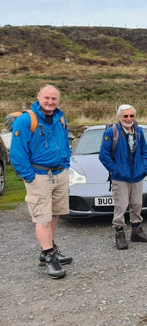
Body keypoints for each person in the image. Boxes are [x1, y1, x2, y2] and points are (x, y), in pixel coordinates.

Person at [10, 84, 72, 279]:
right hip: (39, 176)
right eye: (47, 98)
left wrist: (65, 164)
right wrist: (29, 176)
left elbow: (65, 144)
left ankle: (48, 249)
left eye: (54, 99)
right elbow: (17, 152)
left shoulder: (60, 118)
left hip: (59, 173)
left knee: (54, 214)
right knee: (41, 217)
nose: (50, 102)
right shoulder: (25, 120)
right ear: (38, 98)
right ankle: (49, 257)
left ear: (58, 101)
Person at [99, 104, 147, 250]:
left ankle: (136, 231)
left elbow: (145, 152)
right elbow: (103, 155)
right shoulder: (112, 132)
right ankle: (119, 233)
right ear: (119, 117)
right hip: (120, 177)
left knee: (137, 204)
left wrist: (143, 167)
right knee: (121, 205)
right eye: (125, 116)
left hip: (137, 176)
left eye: (131, 116)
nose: (129, 119)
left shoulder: (139, 132)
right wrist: (115, 170)